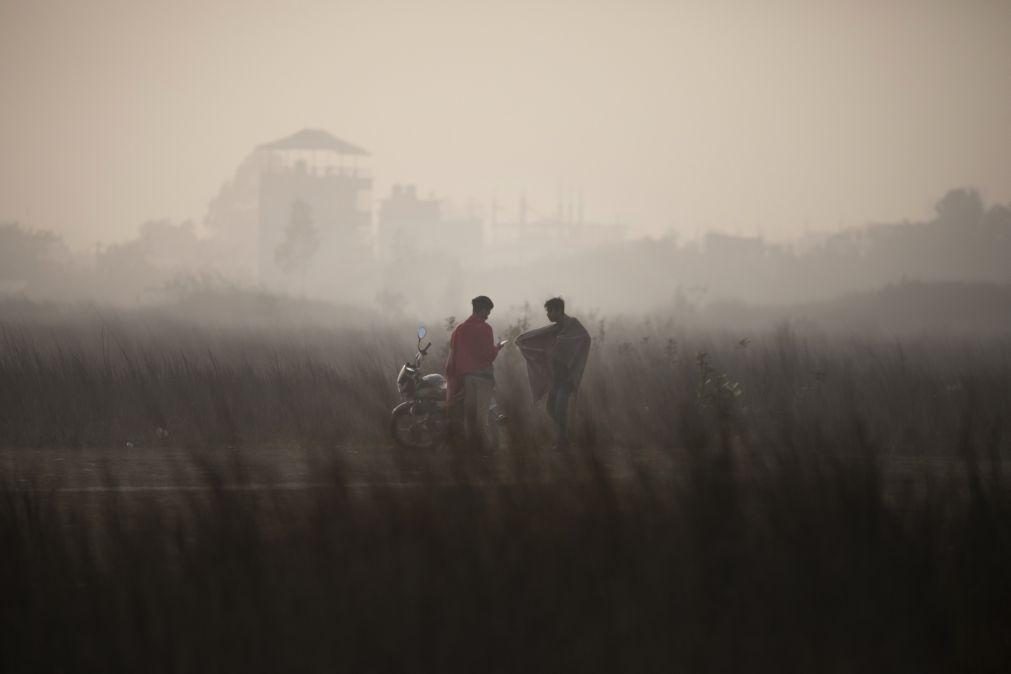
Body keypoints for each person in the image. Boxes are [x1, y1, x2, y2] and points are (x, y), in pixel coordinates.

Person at [516, 297, 591, 449]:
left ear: (558, 310)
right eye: (547, 311)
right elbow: (543, 342)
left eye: (550, 311)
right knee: (551, 407)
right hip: (556, 377)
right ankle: (565, 434)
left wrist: (561, 344)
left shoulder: (572, 325)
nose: (548, 315)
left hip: (568, 376)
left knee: (560, 407)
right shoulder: (556, 328)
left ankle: (562, 441)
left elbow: (584, 338)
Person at [445, 295, 506, 448]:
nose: (488, 315)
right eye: (488, 311)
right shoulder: (485, 329)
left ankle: (472, 450)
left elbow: (453, 355)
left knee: (469, 417)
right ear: (482, 309)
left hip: (466, 379)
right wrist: (497, 347)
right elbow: (488, 356)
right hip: (483, 379)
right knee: (482, 419)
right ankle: (486, 451)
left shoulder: (459, 329)